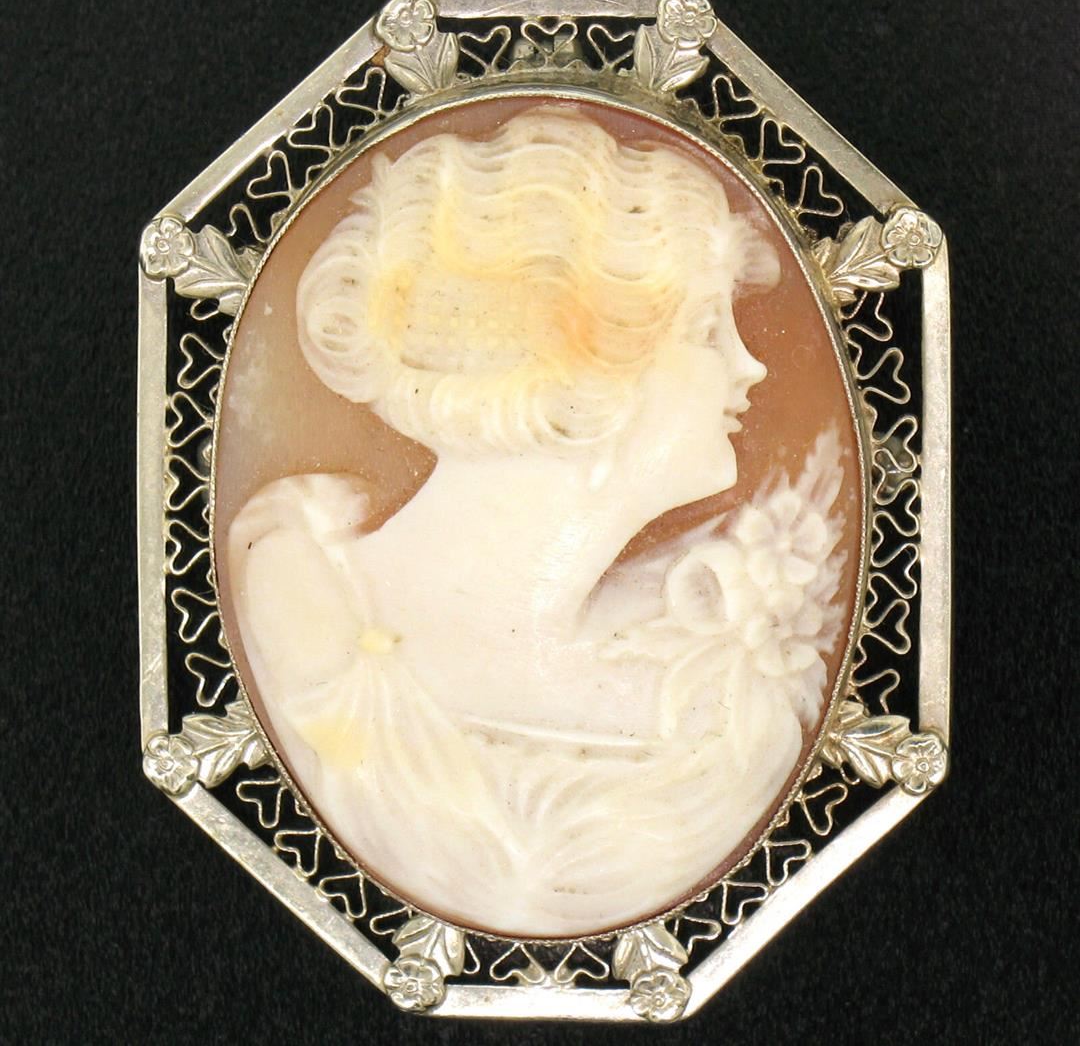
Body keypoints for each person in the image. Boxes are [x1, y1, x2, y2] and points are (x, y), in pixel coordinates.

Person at [228, 108, 845, 936]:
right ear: (578, 371)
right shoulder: (297, 600)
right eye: (706, 328)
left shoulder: (713, 702)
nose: (751, 363)